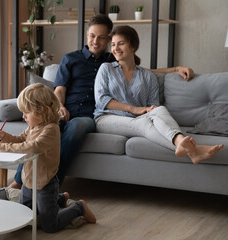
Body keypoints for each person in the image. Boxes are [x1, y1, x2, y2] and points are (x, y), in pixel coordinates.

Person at [9, 14, 195, 189]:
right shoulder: (70, 59)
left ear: (108, 39)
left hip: (89, 116)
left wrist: (175, 68)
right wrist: (60, 108)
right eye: (92, 36)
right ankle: (19, 182)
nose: (95, 41)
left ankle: (52, 184)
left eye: (101, 37)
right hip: (65, 110)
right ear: (87, 35)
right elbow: (59, 90)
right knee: (39, 130)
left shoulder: (111, 59)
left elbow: (142, 70)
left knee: (76, 128)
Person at [94, 25, 224, 164]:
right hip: (107, 118)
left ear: (133, 46)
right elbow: (102, 100)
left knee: (160, 109)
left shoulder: (148, 76)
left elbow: (153, 108)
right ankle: (193, 150)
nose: (115, 48)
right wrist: (134, 109)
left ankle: (183, 144)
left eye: (121, 43)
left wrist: (176, 69)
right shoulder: (106, 69)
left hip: (137, 119)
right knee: (143, 123)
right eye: (113, 44)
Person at [0, 83, 96, 232]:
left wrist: (4, 147)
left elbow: (32, 147)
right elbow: (21, 139)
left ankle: (79, 208)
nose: (23, 116)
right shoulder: (33, 126)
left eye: (27, 112)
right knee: (23, 217)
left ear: (41, 111)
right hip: (28, 180)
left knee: (50, 225)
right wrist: (4, 137)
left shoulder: (51, 130)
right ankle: (60, 198)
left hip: (45, 183)